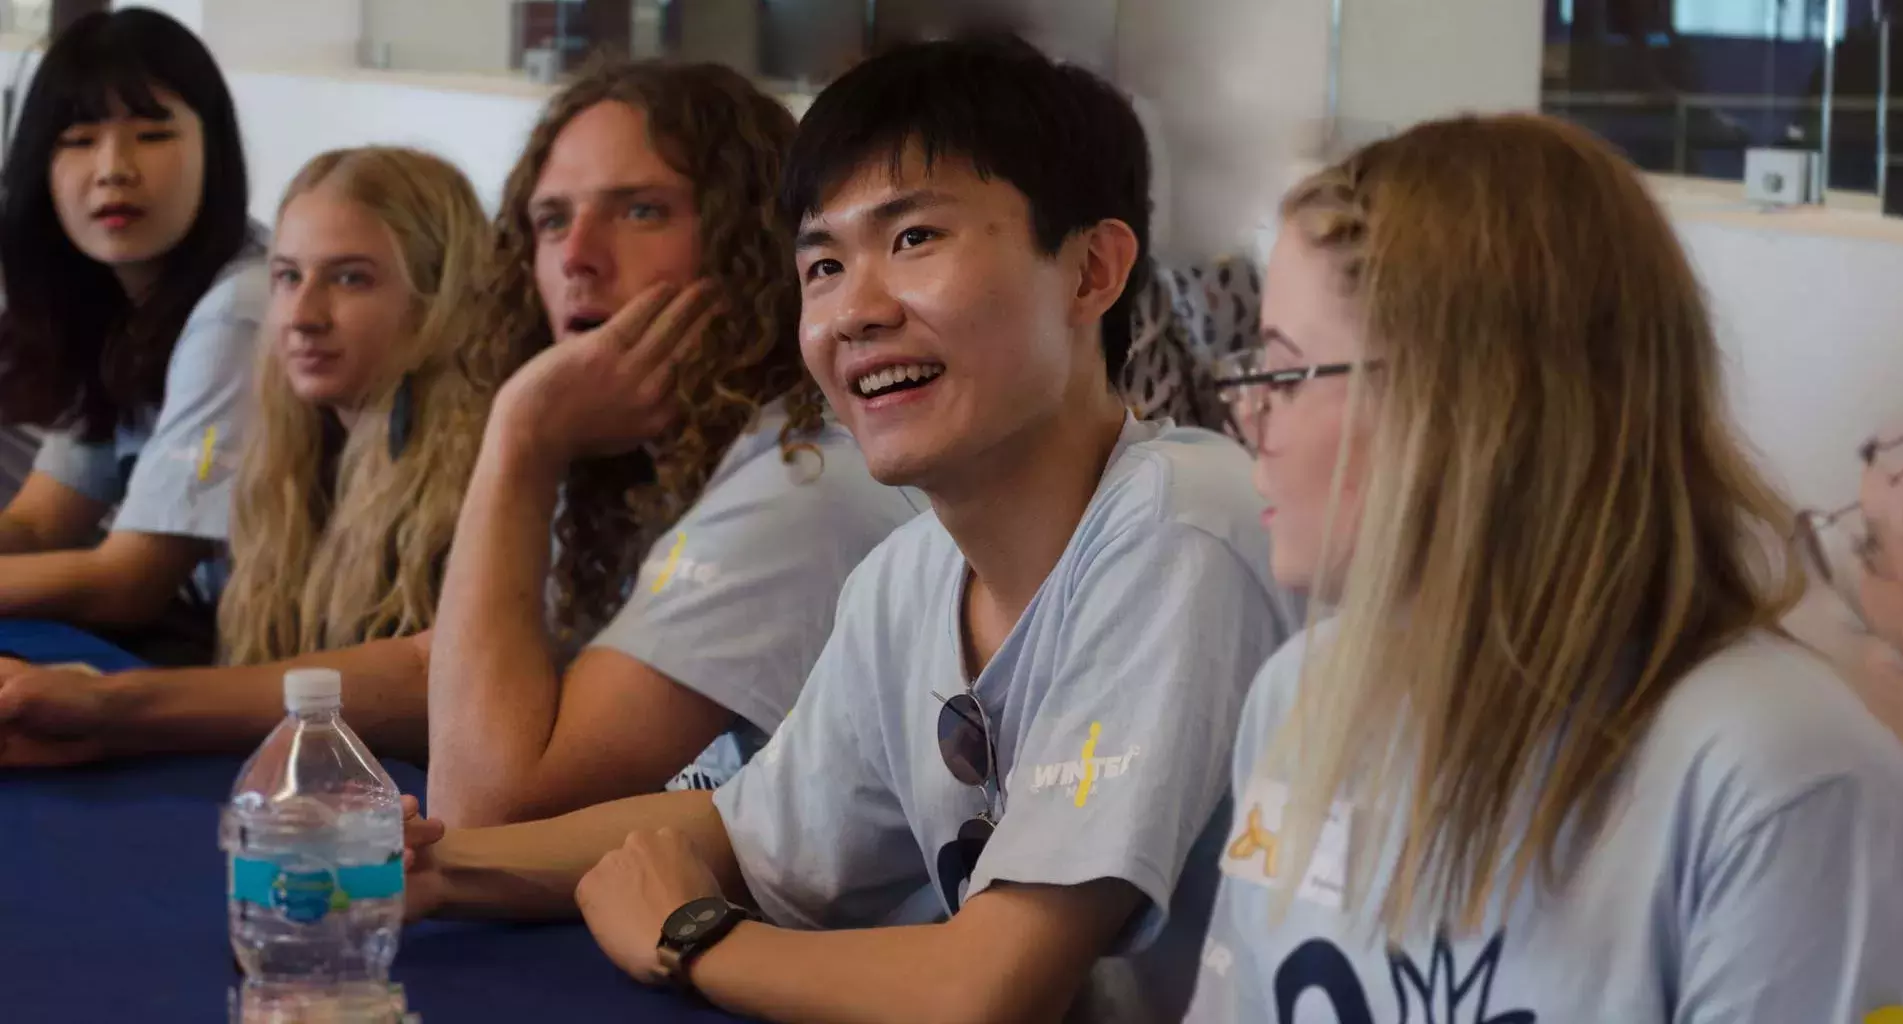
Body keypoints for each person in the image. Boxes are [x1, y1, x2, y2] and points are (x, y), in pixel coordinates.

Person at [402, 37, 1293, 1024]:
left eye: (914, 239)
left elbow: (985, 989)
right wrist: (437, 866)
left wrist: (693, 936)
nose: (854, 312)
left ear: (1092, 272)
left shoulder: (1183, 520)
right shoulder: (910, 574)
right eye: (823, 263)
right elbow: (745, 834)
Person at [1188, 114, 1903, 1022]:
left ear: (1464, 411)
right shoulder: (1303, 693)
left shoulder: (1781, 774)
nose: (1249, 418)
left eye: (1288, 374)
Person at [423, 59, 921, 826]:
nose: (577, 256)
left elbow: (488, 808)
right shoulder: (647, 446)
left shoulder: (804, 480)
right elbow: (468, 670)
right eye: (552, 219)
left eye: (642, 211)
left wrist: (518, 441)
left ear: (751, 242)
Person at [0, 145, 494, 766]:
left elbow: (434, 685)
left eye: (350, 278)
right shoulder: (293, 450)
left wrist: (115, 706)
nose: (303, 316)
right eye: (288, 276)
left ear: (439, 298)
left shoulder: (492, 464)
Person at [0, 8, 262, 663]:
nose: (113, 168)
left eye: (151, 134)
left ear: (215, 151)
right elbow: (39, 524)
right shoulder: (119, 301)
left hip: (289, 676)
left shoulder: (242, 305)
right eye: (80, 139)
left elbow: (130, 583)